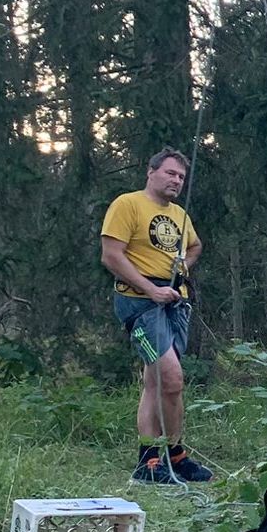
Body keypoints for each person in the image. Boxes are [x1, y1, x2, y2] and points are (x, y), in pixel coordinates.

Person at [100, 147, 213, 483]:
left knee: (156, 381)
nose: (176, 180)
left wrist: (184, 265)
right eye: (170, 173)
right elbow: (111, 255)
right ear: (151, 172)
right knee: (171, 379)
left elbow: (195, 246)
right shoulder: (128, 204)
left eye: (181, 176)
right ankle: (167, 456)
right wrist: (150, 289)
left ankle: (156, 461)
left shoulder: (179, 214)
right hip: (140, 303)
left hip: (174, 302)